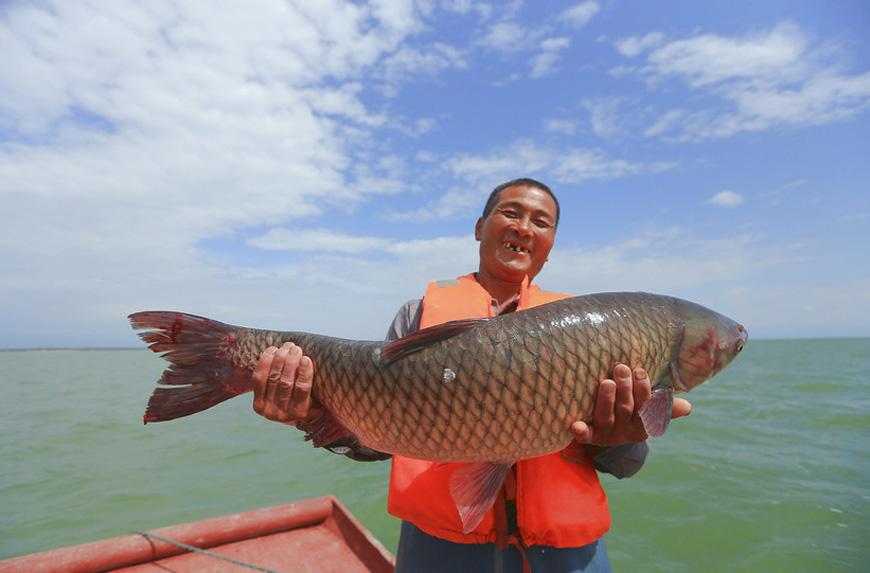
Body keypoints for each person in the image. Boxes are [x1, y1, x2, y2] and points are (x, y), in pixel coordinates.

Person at [251, 179, 692, 572]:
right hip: (438, 547)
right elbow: (377, 439)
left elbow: (629, 463)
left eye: (541, 221)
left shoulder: (596, 331)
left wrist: (618, 438)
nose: (524, 227)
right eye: (511, 212)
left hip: (566, 555)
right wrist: (311, 414)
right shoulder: (417, 315)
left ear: (551, 242)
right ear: (480, 227)